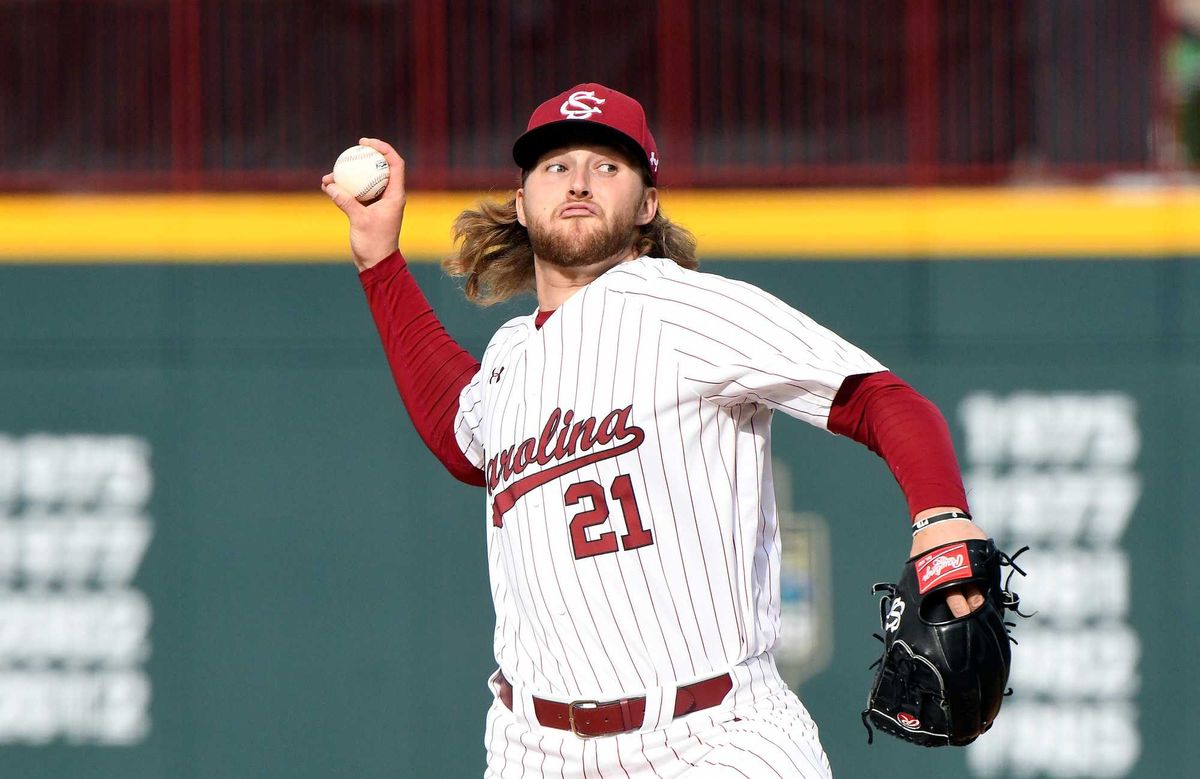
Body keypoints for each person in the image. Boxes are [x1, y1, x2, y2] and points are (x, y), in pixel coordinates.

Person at [323, 83, 988, 778]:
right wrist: (380, 261)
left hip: (711, 738)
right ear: (521, 203)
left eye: (607, 166)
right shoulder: (510, 357)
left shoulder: (685, 310)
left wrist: (939, 513)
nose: (578, 180)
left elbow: (881, 398)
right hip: (533, 747)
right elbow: (461, 435)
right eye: (555, 166)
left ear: (646, 205)